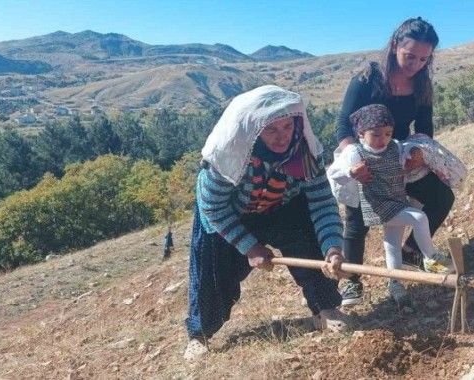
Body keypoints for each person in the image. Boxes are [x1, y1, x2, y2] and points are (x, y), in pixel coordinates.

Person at [184, 85, 351, 360]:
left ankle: (325, 309)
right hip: (229, 215)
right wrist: (250, 247)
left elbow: (321, 203)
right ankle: (199, 334)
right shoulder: (226, 156)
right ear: (253, 130)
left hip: (283, 206)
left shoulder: (305, 152)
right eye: (272, 129)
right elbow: (212, 207)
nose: (282, 136)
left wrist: (333, 247)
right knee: (212, 273)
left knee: (310, 241)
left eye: (287, 127)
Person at [335, 17, 455, 306]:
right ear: (394, 46)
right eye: (410, 56)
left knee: (441, 196)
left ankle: (414, 250)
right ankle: (351, 281)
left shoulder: (423, 84)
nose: (415, 64)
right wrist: (354, 161)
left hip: (399, 156)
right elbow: (342, 126)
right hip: (362, 154)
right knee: (357, 220)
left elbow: (425, 127)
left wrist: (416, 152)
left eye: (424, 59)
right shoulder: (366, 80)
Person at [327, 104, 453, 308]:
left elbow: (408, 152)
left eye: (387, 133)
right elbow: (333, 173)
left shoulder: (394, 146)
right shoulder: (355, 152)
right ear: (361, 133)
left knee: (392, 244)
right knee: (419, 218)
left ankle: (395, 284)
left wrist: (415, 153)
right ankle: (430, 256)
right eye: (375, 135)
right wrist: (351, 172)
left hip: (395, 199)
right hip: (377, 205)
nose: (382, 140)